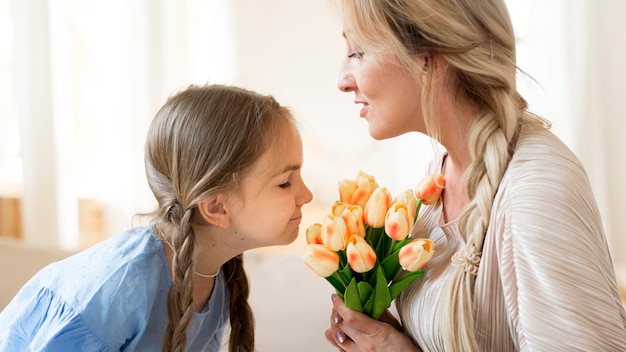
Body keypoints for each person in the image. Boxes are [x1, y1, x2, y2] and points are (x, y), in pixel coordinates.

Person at [324, 1, 626, 351]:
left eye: (358, 52)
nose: (342, 81)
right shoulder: (439, 174)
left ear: (427, 57)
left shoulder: (534, 191)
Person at [0, 84, 313, 352]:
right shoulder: (123, 285)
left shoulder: (216, 279)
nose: (307, 195)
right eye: (285, 182)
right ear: (216, 207)